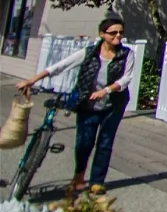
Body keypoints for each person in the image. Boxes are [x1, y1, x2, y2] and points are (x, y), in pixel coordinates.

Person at [15, 15, 133, 193]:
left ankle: (97, 181)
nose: (118, 36)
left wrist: (106, 90)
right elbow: (60, 66)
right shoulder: (89, 53)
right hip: (88, 104)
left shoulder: (127, 54)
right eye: (113, 33)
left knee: (105, 143)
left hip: (113, 105)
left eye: (120, 32)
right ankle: (79, 176)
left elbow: (126, 78)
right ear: (102, 34)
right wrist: (32, 80)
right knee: (84, 142)